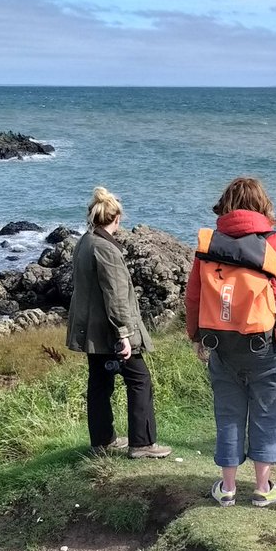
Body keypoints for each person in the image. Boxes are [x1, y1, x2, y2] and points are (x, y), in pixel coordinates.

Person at [187, 177, 276, 508]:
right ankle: (262, 488)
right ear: (263, 204)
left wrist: (195, 337)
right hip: (269, 345)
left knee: (228, 412)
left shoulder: (208, 246)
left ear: (226, 204)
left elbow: (194, 298)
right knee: (267, 412)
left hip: (221, 345)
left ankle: (227, 488)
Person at [66, 187, 172, 459]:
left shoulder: (85, 242)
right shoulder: (106, 249)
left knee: (100, 383)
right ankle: (142, 443)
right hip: (111, 333)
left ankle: (103, 440)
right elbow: (115, 297)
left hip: (91, 331)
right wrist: (124, 334)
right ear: (117, 218)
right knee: (140, 380)